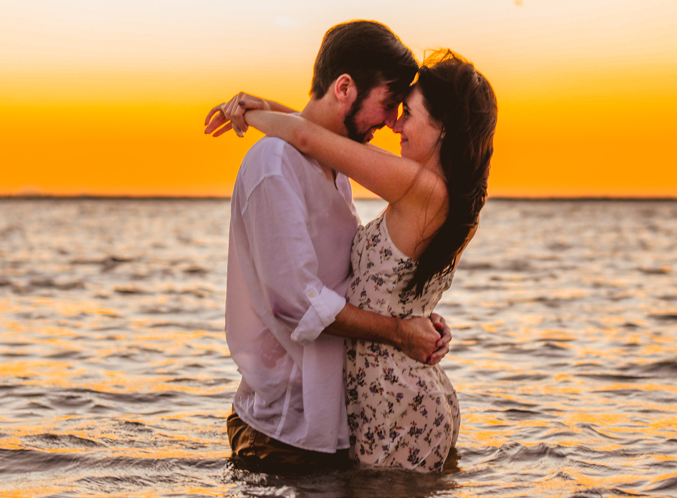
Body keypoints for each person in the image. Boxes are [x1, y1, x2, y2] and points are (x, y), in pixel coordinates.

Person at [208, 48, 496, 472]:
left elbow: (312, 140)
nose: (394, 124)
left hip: (395, 401)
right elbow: (329, 143)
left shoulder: (420, 188)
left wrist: (252, 114)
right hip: (399, 394)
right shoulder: (440, 193)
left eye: (409, 114)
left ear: (443, 131)